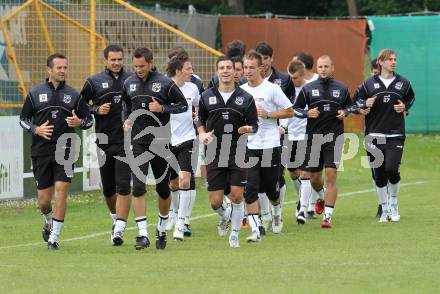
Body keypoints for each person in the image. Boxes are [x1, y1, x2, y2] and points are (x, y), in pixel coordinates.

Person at [19, 53, 93, 250]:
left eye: (65, 68)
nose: (63, 71)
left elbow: (89, 120)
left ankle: (55, 238)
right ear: (49, 69)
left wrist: (79, 123)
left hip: (65, 149)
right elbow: (23, 119)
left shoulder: (74, 95)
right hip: (40, 151)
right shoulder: (35, 94)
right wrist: (36, 129)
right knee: (44, 200)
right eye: (59, 68)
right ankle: (48, 220)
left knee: (61, 191)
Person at [122, 47, 188, 250]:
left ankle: (161, 227)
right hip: (138, 142)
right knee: (138, 187)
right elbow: (125, 104)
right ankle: (142, 234)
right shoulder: (129, 82)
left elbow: (183, 105)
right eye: (135, 66)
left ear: (151, 63)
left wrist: (162, 108)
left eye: (142, 66)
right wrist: (125, 119)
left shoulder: (165, 83)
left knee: (163, 189)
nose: (138, 69)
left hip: (160, 142)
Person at [197, 56, 258, 247]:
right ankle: (224, 216)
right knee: (215, 202)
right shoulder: (206, 96)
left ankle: (235, 235)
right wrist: (202, 134)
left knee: (237, 196)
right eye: (222, 68)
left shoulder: (246, 98)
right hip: (214, 151)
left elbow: (255, 125)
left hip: (238, 151)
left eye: (229, 68)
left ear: (234, 72)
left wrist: (248, 129)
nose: (225, 71)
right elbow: (199, 121)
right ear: (217, 72)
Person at [293, 55, 354, 228]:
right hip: (313, 138)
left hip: (334, 138)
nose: (323, 69)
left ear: (332, 68)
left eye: (326, 66)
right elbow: (296, 109)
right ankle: (313, 201)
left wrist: (345, 112)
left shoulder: (342, 88)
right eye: (320, 67)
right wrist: (307, 113)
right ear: (317, 69)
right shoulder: (308, 88)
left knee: (331, 174)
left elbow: (350, 106)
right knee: (311, 176)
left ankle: (327, 217)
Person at [354, 49, 415, 222]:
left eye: (395, 59)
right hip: (373, 135)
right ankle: (385, 208)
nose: (393, 62)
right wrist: (364, 104)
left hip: (395, 134)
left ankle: (394, 203)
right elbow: (356, 101)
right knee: (379, 175)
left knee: (392, 169)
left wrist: (405, 107)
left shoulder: (403, 82)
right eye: (389, 59)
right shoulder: (369, 84)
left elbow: (411, 98)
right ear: (381, 62)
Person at [80, 45, 132, 246]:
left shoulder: (132, 80)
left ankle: (119, 229)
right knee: (109, 190)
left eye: (120, 59)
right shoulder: (93, 81)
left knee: (123, 185)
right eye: (113, 60)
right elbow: (80, 105)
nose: (117, 63)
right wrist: (95, 109)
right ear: (105, 60)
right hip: (103, 141)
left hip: (126, 142)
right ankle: (115, 218)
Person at [241, 50, 294, 240]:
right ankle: (257, 228)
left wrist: (269, 115)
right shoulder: (241, 91)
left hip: (270, 144)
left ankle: (277, 213)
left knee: (271, 188)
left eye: (251, 67)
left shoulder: (271, 89)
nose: (247, 71)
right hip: (249, 146)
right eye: (245, 67)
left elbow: (289, 111)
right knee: (251, 188)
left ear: (261, 68)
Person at [254, 41, 294, 232]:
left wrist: (283, 127)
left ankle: (277, 211)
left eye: (265, 59)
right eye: (259, 59)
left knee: (277, 177)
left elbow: (288, 106)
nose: (262, 63)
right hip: (255, 137)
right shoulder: (248, 84)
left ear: (271, 59)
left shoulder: (283, 80)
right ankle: (267, 216)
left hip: (278, 133)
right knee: (257, 180)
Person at [166, 54, 200, 240]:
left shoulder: (193, 88)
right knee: (172, 183)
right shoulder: (163, 87)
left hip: (188, 139)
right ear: (178, 71)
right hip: (167, 141)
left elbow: (199, 107)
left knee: (185, 180)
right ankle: (174, 213)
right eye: (188, 69)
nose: (191, 72)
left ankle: (181, 222)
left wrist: (200, 125)